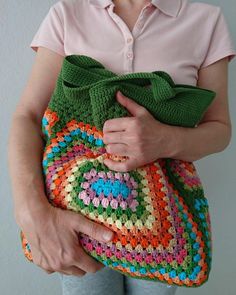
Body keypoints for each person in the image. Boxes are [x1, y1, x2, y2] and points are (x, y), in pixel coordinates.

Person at [7, 0, 236, 294]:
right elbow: (28, 117)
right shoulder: (68, 13)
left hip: (162, 221)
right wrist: (31, 213)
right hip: (76, 217)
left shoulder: (206, 21)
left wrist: (164, 139)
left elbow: (219, 129)